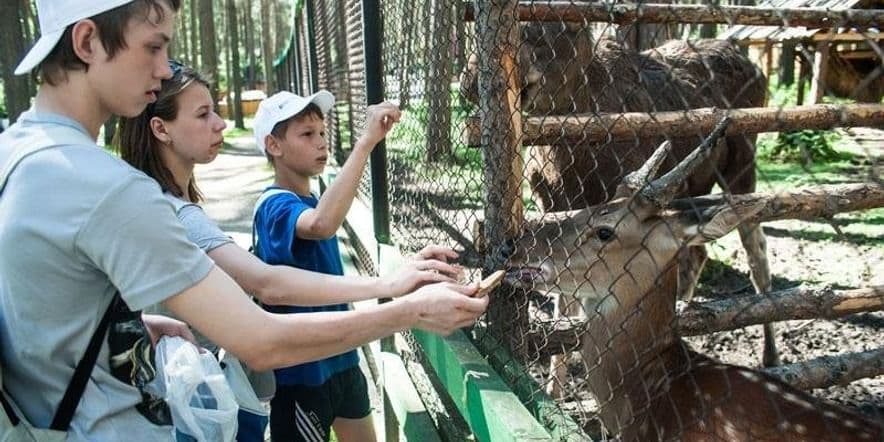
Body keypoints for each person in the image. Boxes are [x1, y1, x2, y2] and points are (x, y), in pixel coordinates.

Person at [0, 1, 489, 440]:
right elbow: (260, 339)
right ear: (87, 41)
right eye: (153, 46)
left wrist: (133, 324)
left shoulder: (17, 154)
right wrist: (411, 309)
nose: (163, 67)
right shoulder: (107, 188)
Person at [117, 62, 464, 355]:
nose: (220, 123)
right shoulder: (177, 213)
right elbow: (267, 283)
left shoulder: (163, 203)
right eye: (204, 114)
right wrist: (392, 290)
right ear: (161, 129)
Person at [250, 89, 405, 441]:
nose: (321, 142)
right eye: (307, 135)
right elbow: (321, 225)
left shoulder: (310, 199)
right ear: (274, 146)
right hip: (303, 374)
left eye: (322, 132)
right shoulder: (274, 206)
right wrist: (365, 143)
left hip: (342, 361)